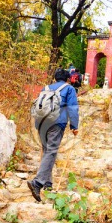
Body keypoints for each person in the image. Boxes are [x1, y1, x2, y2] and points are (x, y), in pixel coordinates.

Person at [27, 68, 79, 202]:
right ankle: (37, 183)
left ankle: (47, 183)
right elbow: (73, 108)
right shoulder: (69, 89)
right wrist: (74, 126)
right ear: (68, 78)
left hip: (41, 123)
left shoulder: (46, 88)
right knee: (51, 151)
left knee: (47, 151)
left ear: (55, 78)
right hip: (57, 123)